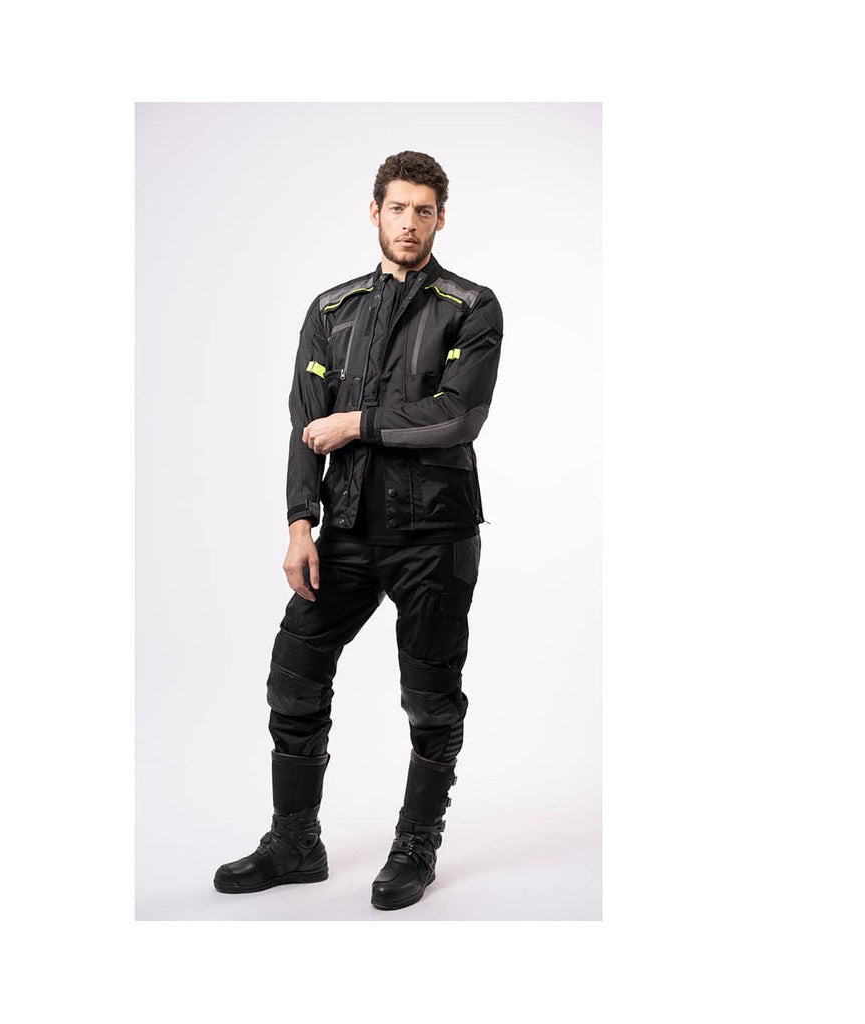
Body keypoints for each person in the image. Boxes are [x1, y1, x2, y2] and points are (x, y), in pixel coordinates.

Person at [213, 151, 503, 910]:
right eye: (397, 208)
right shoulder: (333, 310)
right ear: (374, 212)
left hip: (435, 534)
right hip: (343, 530)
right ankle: (294, 842)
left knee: (430, 698)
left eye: (424, 210)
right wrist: (299, 523)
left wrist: (359, 423)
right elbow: (305, 425)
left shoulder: (471, 305)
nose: (410, 223)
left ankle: (416, 846)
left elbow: (457, 416)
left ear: (441, 218)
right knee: (293, 675)